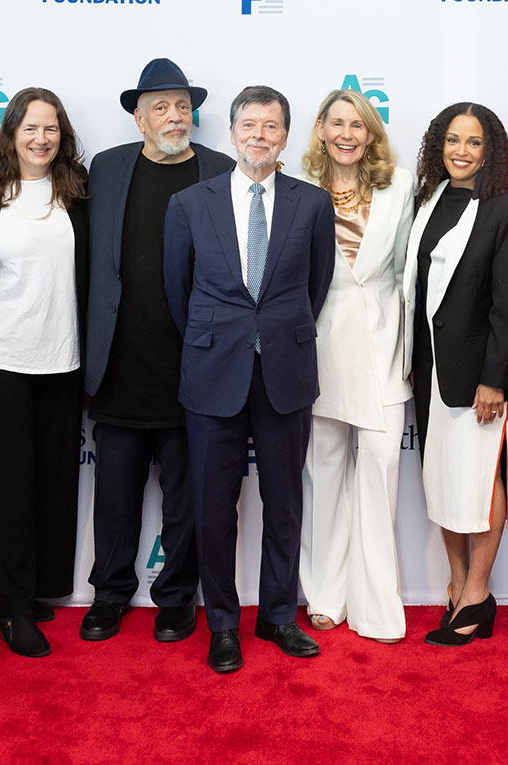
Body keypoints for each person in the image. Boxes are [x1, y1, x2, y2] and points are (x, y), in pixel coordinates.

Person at [162, 85, 336, 673]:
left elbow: (316, 287)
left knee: (284, 502)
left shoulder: (312, 204)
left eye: (271, 126)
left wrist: (275, 331)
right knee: (213, 506)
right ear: (232, 133)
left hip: (285, 369)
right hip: (213, 370)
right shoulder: (190, 203)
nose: (258, 135)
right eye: (248, 125)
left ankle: (279, 616)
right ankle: (223, 624)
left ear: (285, 136)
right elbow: (176, 292)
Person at [81, 59, 233, 644]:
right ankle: (110, 595)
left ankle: (176, 597)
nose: (176, 117)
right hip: (119, 363)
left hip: (194, 367)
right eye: (161, 107)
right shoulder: (109, 168)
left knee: (187, 499)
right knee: (113, 498)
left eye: (183, 106)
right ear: (139, 118)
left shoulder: (219, 169)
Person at [0, 88, 89, 657]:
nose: (41, 139)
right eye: (30, 128)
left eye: (51, 129)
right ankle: (9, 607)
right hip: (2, 361)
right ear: (11, 133)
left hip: (63, 360)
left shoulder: (79, 192)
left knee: (51, 485)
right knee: (4, 489)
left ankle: (32, 589)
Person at [403, 103, 508, 647]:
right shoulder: (426, 200)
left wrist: (495, 377)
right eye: (452, 140)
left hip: (479, 373)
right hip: (429, 365)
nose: (461, 151)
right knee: (443, 478)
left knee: (483, 477)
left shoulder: (506, 209)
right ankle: (455, 583)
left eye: (474, 143)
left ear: (491, 150)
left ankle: (479, 593)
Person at [298, 89, 416, 644]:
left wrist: (415, 353)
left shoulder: (399, 190)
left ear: (371, 134)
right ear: (321, 129)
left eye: (358, 125)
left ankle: (375, 602)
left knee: (379, 471)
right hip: (316, 346)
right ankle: (324, 592)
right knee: (322, 473)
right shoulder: (299, 190)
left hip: (384, 343)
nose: (347, 134)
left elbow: (410, 280)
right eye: (337, 123)